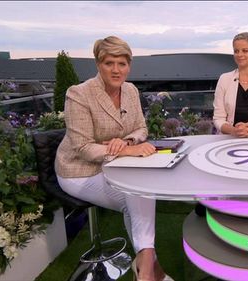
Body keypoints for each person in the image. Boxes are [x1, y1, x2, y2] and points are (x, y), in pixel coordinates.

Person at [55, 36, 171, 281]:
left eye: (122, 63)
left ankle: (146, 265)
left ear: (129, 65)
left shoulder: (130, 90)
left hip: (115, 166)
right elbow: (84, 148)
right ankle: (150, 269)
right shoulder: (79, 94)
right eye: (109, 63)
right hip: (79, 171)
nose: (116, 70)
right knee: (138, 192)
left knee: (137, 194)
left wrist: (126, 141)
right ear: (99, 64)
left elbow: (141, 129)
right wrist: (126, 151)